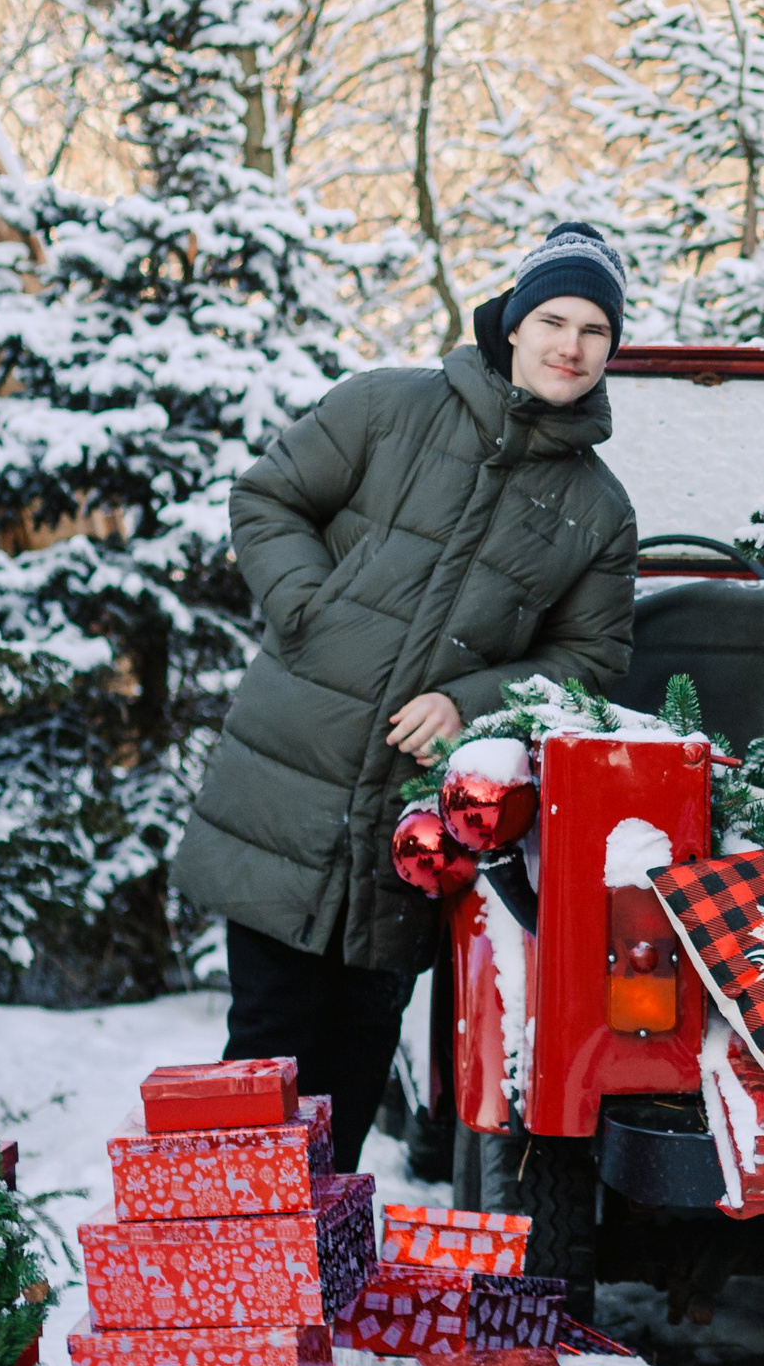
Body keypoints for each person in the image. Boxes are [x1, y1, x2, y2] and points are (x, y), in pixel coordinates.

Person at [173, 223, 641, 1171]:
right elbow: (267, 496)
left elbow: (591, 657)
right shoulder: (388, 405)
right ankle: (241, 1254)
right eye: (554, 320)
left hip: (412, 820)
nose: (571, 345)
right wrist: (309, 607)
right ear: (511, 323)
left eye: (595, 330)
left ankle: (322, 1254)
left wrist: (470, 701)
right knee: (265, 1043)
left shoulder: (600, 510)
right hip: (292, 782)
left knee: (355, 1050)